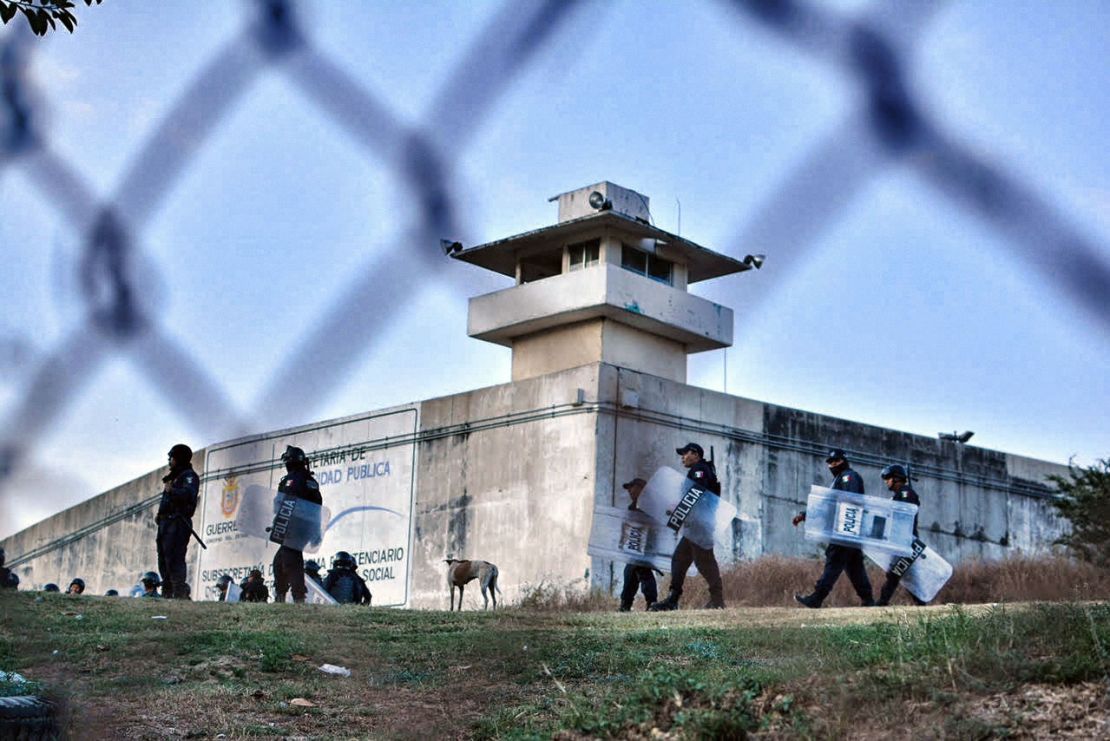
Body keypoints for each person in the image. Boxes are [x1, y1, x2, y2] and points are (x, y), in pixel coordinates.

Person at [793, 449, 875, 608]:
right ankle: (868, 600)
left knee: (834, 562)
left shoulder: (848, 476)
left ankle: (817, 598)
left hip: (844, 529)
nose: (833, 465)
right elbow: (827, 504)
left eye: (836, 461)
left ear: (844, 461)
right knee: (854, 566)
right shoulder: (840, 479)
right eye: (830, 462)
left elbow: (850, 500)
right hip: (849, 531)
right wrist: (805, 514)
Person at [650, 442, 725, 611]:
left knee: (704, 562)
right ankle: (673, 599)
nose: (682, 458)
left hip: (699, 526)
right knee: (679, 559)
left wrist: (679, 508)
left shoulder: (699, 470)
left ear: (695, 454)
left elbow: (697, 492)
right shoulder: (703, 469)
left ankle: (717, 600)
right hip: (696, 525)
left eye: (685, 454)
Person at [271, 445, 322, 604]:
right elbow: (317, 507)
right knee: (279, 562)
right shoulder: (309, 481)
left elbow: (284, 504)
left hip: (293, 527)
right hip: (303, 528)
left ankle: (298, 598)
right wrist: (315, 531)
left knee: (291, 562)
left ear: (290, 462)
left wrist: (278, 522)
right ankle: (281, 596)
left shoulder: (293, 480)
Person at [875, 464, 926, 607]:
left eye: (888, 478)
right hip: (900, 541)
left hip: (906, 542)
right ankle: (920, 603)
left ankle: (882, 602)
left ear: (896, 478)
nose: (886, 482)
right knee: (903, 574)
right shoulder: (900, 495)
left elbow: (903, 517)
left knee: (895, 573)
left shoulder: (906, 494)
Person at [155, 443, 200, 599]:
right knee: (163, 558)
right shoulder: (174, 477)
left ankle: (179, 592)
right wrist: (160, 514)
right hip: (166, 523)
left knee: (175, 558)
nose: (169, 461)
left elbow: (188, 494)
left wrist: (172, 490)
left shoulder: (189, 476)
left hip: (178, 523)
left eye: (171, 458)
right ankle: (167, 591)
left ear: (179, 458)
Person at [617, 478, 658, 612]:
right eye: (628, 488)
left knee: (642, 571)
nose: (629, 491)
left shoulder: (651, 505)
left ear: (641, 488)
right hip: (635, 545)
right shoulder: (632, 506)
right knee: (630, 572)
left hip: (646, 546)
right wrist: (623, 541)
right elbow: (628, 526)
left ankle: (650, 602)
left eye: (632, 487)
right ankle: (627, 604)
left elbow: (655, 526)